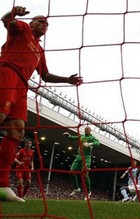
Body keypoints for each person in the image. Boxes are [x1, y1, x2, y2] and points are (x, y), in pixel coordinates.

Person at [0, 6, 83, 202]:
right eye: (40, 21)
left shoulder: (40, 50)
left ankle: (2, 185)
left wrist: (67, 80)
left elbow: (45, 75)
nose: (44, 25)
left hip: (22, 85)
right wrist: (12, 13)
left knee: (16, 131)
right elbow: (6, 22)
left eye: (46, 24)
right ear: (31, 23)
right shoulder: (23, 29)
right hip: (7, 72)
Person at [63, 126, 100, 200]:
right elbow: (74, 138)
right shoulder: (81, 136)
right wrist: (69, 136)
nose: (86, 130)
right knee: (71, 171)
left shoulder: (92, 137)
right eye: (85, 129)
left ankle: (88, 192)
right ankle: (76, 188)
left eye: (87, 129)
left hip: (86, 158)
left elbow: (98, 143)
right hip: (78, 157)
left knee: (84, 174)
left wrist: (90, 144)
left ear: (90, 130)